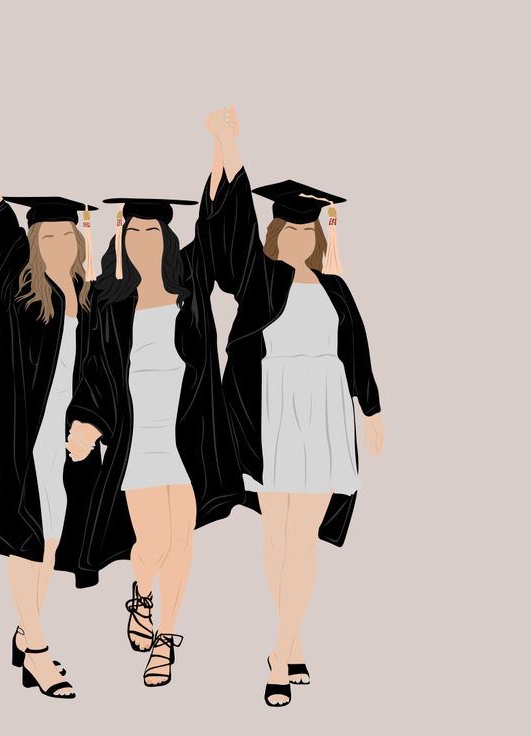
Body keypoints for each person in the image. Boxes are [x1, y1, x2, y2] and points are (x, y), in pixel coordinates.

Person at [201, 108, 385, 707]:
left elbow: (355, 346)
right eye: (291, 231)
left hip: (326, 415)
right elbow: (229, 247)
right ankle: (294, 636)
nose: (301, 239)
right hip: (274, 415)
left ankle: (279, 653)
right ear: (277, 233)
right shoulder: (264, 281)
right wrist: (228, 150)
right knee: (278, 539)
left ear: (320, 235)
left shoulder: (335, 287)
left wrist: (372, 408)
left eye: (310, 232)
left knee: (301, 539)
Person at [0, 111, 101, 700]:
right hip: (19, 432)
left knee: (53, 542)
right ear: (36, 242)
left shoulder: (88, 299)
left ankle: (24, 630)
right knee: (27, 538)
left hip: (66, 437)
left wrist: (92, 419)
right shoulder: (17, 284)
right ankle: (37, 647)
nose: (60, 242)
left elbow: (99, 370)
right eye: (49, 236)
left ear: (79, 239)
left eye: (67, 235)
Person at [64, 190, 246, 687]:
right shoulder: (106, 300)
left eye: (153, 232)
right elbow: (94, 371)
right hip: (137, 436)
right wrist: (86, 422)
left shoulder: (189, 282)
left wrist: (223, 152)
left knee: (181, 539)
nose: (143, 240)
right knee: (154, 540)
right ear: (119, 237)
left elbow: (215, 228)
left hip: (188, 433)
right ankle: (142, 590)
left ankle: (165, 638)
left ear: (168, 238)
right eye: (133, 231)